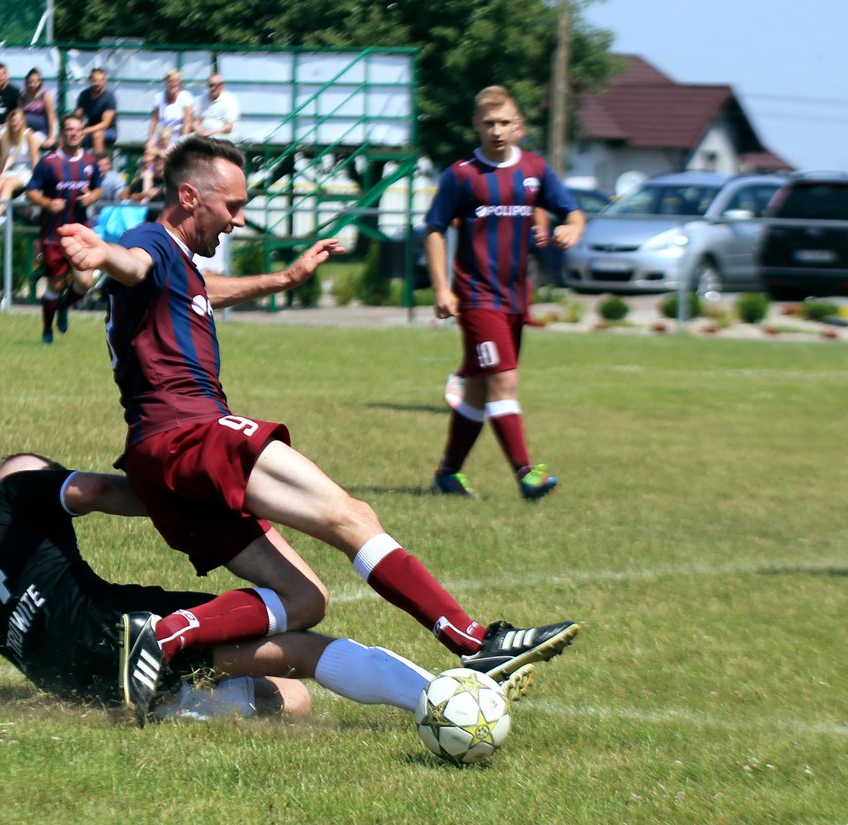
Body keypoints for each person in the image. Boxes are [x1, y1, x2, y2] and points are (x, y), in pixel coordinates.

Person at [56, 136, 580, 706]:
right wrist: (102, 254)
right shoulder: (152, 242)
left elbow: (201, 291)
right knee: (351, 517)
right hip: (192, 436)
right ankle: (474, 641)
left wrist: (284, 280)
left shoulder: (181, 270)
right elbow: (134, 264)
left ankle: (162, 641)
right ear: (189, 197)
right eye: (232, 205)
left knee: (304, 599)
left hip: (159, 459)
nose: (239, 220)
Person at [0, 453, 541, 726]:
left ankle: (178, 699)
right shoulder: (15, 491)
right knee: (301, 624)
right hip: (125, 628)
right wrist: (187, 502)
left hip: (94, 688)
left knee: (293, 700)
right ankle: (443, 700)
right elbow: (94, 490)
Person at [424, 86, 584, 501]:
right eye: (488, 123)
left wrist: (572, 228)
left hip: (515, 298)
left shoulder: (534, 168)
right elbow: (435, 229)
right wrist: (442, 288)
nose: (496, 130)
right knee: (504, 382)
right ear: (476, 125)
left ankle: (448, 474)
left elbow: (573, 212)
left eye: (504, 122)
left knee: (480, 391)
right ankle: (526, 475)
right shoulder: (461, 174)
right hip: (478, 297)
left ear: (518, 126)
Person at [24, 114, 101, 344]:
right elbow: (30, 192)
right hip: (53, 234)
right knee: (55, 284)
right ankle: (47, 329)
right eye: (69, 129)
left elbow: (98, 188)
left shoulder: (90, 161)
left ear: (83, 133)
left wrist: (93, 196)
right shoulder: (48, 162)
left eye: (77, 129)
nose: (73, 133)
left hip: (80, 233)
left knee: (85, 282)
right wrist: (47, 203)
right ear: (62, 133)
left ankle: (65, 306)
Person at [141, 69, 195, 199]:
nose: (174, 84)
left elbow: (187, 122)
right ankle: (146, 191)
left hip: (179, 135)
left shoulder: (185, 97)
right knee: (149, 155)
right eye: (171, 81)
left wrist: (182, 141)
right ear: (166, 82)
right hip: (163, 135)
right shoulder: (159, 98)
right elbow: (154, 120)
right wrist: (150, 140)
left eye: (176, 81)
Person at [74, 68, 117, 154]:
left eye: (100, 81)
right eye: (94, 81)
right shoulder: (84, 95)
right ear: (90, 80)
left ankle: (98, 162)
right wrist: (76, 128)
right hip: (88, 129)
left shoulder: (109, 98)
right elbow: (78, 116)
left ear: (104, 81)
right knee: (67, 135)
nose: (97, 84)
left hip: (108, 131)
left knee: (97, 135)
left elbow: (105, 124)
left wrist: (86, 130)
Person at [19, 68, 57, 146]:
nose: (33, 84)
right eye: (30, 82)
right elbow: (19, 115)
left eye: (35, 82)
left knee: (33, 141)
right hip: (26, 129)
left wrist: (51, 137)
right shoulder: (22, 96)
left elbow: (51, 117)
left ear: (40, 82)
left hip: (42, 130)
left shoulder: (45, 95)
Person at [196, 73, 238, 140]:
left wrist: (210, 133)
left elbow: (229, 127)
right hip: (203, 137)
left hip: (222, 138)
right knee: (182, 140)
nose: (213, 88)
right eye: (211, 85)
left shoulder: (229, 100)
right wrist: (199, 131)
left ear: (222, 86)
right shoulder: (201, 99)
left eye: (216, 85)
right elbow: (196, 121)